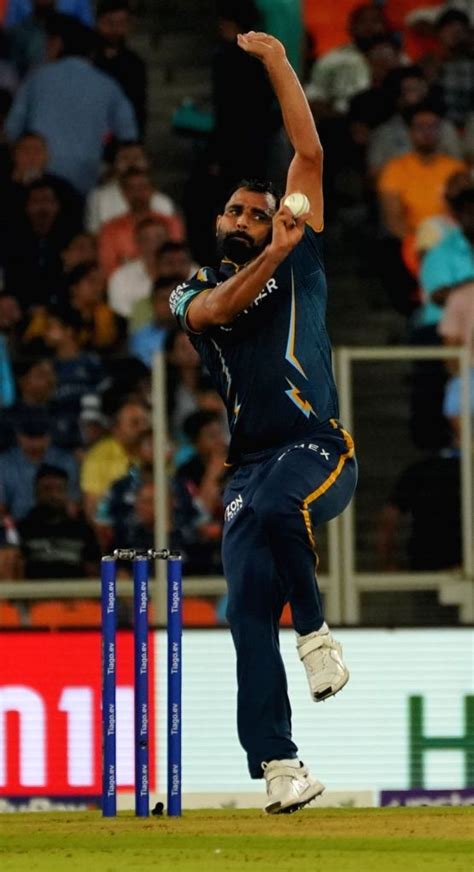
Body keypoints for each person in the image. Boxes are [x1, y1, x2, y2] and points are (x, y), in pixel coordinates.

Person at [169, 31, 357, 814]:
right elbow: (220, 307)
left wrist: (280, 61)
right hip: (248, 468)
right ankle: (281, 767)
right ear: (221, 221)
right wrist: (272, 253)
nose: (249, 217)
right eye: (237, 211)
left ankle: (316, 637)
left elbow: (306, 155)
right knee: (246, 613)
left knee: (283, 504)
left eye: (260, 209)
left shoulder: (301, 247)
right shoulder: (192, 291)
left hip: (319, 448)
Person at [5, 13, 138, 193]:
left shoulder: (36, 79)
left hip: (39, 177)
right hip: (87, 176)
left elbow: (11, 130)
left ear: (57, 44)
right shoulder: (108, 85)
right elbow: (129, 136)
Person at [17, 463, 100, 578]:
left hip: (75, 593)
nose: (54, 495)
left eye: (59, 489)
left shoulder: (83, 530)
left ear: (66, 493)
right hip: (34, 594)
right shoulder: (22, 529)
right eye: (47, 489)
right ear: (36, 493)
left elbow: (93, 572)